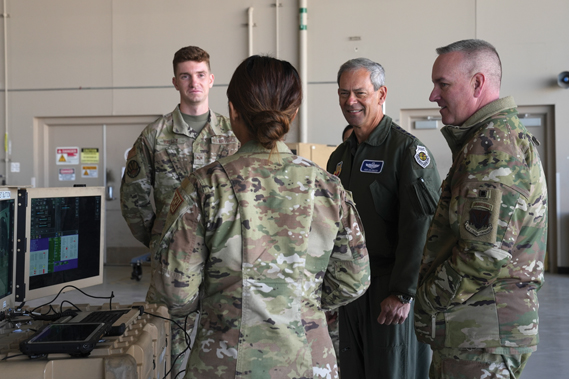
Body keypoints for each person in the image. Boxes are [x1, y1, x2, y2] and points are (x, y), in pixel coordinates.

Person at [151, 55, 371, 378]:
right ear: (293, 113)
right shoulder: (328, 188)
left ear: (233, 110)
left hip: (224, 362)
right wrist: (298, 298)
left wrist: (221, 304)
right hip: (310, 362)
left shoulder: (205, 187)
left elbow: (176, 292)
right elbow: (355, 279)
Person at [414, 39, 548, 378]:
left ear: (477, 83)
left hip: (479, 335)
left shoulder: (493, 148)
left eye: (442, 84)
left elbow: (482, 254)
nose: (433, 95)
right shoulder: (486, 140)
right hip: (477, 332)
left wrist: (427, 299)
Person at [120, 45, 240, 377]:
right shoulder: (155, 136)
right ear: (175, 81)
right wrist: (161, 240)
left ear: (211, 79)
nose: (193, 83)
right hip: (173, 266)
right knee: (170, 347)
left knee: (224, 346)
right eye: (185, 76)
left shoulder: (232, 135)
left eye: (200, 75)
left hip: (225, 261)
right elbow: (134, 200)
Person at [327, 58, 440, 379]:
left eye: (360, 93)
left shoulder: (406, 151)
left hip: (389, 292)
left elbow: (422, 225)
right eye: (343, 93)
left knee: (392, 371)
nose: (350, 101)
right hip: (350, 292)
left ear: (381, 93)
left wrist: (403, 292)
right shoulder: (339, 157)